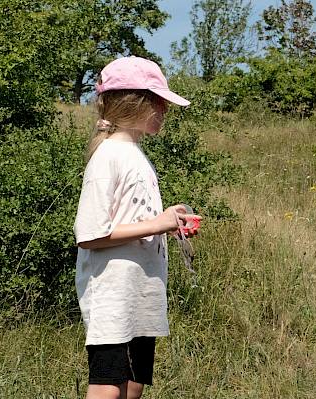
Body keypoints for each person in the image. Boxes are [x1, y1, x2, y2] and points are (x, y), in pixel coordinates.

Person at [73, 56, 201, 399]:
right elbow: (89, 235)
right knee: (108, 387)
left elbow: (132, 219)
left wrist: (168, 220)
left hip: (139, 292)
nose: (165, 109)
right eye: (157, 101)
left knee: (133, 384)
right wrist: (156, 223)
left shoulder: (134, 153)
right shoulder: (109, 156)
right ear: (134, 102)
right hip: (113, 294)